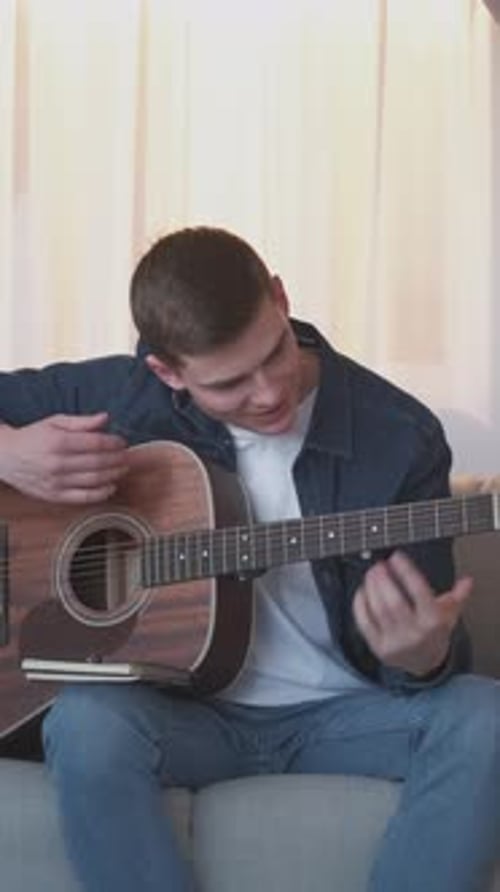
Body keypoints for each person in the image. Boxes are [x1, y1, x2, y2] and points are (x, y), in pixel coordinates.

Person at [0, 226, 499, 892]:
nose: (267, 393)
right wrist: (9, 453)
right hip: (182, 717)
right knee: (87, 722)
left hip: (343, 715)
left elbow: (421, 655)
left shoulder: (398, 433)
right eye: (230, 382)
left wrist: (421, 653)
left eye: (275, 353)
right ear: (167, 372)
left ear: (281, 299)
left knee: (485, 717)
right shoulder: (126, 397)